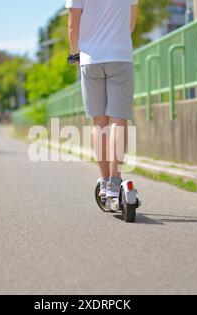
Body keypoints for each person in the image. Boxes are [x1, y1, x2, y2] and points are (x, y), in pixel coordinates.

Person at [66, 0, 138, 200]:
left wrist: (74, 54)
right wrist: (117, 40)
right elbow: (131, 22)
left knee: (99, 122)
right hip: (120, 58)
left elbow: (73, 26)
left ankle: (105, 181)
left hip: (91, 60)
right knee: (118, 120)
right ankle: (116, 181)